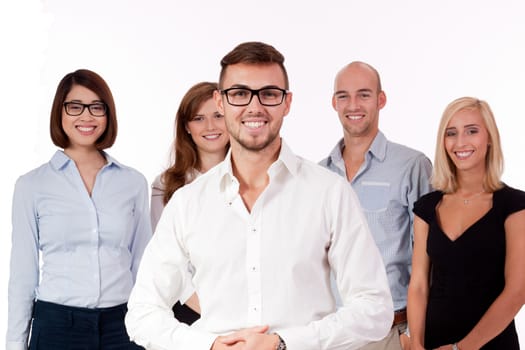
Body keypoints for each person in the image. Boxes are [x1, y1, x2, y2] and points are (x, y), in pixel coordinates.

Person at [125, 41, 393, 350]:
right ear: (220, 102)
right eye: (239, 94)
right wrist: (210, 346)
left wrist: (284, 343)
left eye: (268, 94)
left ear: (287, 103)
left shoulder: (329, 193)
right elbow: (142, 314)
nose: (255, 107)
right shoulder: (187, 203)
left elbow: (374, 308)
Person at [6, 69, 151, 350]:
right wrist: (14, 343)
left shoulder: (133, 183)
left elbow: (142, 264)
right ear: (59, 113)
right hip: (57, 326)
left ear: (108, 115)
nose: (87, 116)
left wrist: (150, 324)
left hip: (123, 326)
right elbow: (23, 272)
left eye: (97, 107)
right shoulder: (32, 185)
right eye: (75, 107)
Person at [319, 61, 432, 350]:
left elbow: (431, 258)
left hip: (391, 332)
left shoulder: (411, 166)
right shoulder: (318, 175)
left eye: (364, 94)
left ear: (381, 100)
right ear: (334, 102)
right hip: (331, 333)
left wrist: (413, 335)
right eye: (343, 96)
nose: (353, 104)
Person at [407, 97, 525, 349]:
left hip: (493, 345)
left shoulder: (515, 205)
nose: (460, 142)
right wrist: (417, 344)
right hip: (435, 343)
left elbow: (517, 291)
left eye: (472, 131)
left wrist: (462, 348)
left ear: (490, 137)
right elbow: (418, 284)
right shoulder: (427, 207)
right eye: (451, 133)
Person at [150, 81, 229, 324]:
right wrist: (196, 300)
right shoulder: (167, 184)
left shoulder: (257, 177)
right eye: (198, 118)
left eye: (218, 115)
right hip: (189, 309)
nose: (210, 126)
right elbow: (165, 256)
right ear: (186, 126)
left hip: (248, 309)